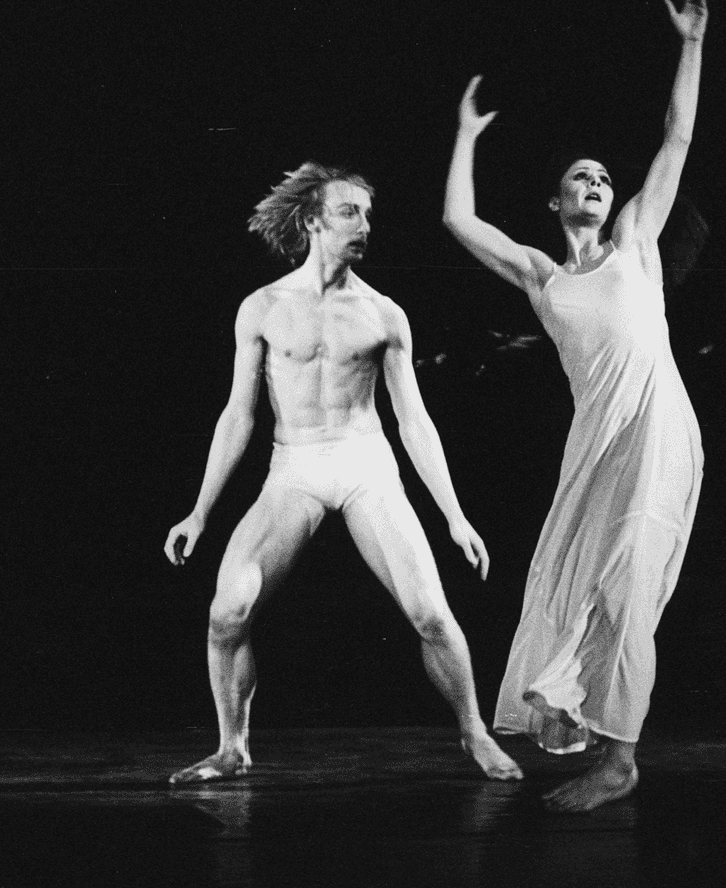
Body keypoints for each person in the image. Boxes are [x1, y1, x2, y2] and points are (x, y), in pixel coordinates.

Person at [164, 162, 522, 785]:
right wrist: (199, 511)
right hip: (295, 464)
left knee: (432, 613)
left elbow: (415, 422)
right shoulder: (264, 307)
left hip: (364, 463)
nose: (364, 226)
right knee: (228, 611)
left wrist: (454, 515)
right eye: (349, 213)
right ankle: (231, 746)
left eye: (368, 215)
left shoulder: (384, 314)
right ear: (312, 222)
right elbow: (237, 416)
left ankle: (474, 733)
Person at [441, 0, 709, 812]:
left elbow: (675, 138)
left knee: (629, 581)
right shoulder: (542, 276)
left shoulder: (635, 238)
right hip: (595, 442)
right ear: (555, 202)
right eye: (579, 179)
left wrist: (692, 44)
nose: (595, 183)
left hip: (657, 422)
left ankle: (621, 758)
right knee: (573, 576)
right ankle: (598, 727)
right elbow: (458, 222)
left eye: (601, 176)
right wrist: (463, 136)